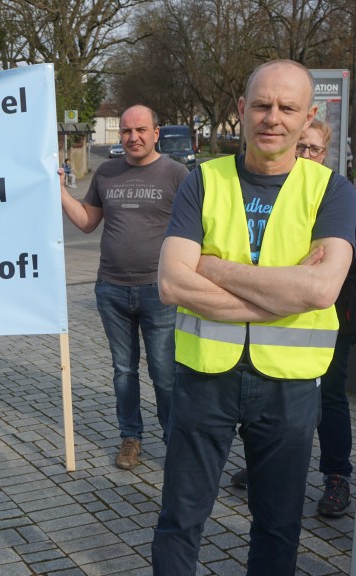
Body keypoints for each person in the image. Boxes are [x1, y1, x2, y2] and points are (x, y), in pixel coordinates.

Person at [152, 60, 356, 575]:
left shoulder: (332, 191)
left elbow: (322, 287)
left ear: (308, 117)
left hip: (288, 386)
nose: (273, 118)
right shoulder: (202, 181)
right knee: (180, 519)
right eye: (262, 105)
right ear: (241, 110)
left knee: (279, 524)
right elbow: (173, 283)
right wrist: (285, 294)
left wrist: (215, 267)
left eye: (288, 108)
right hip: (204, 378)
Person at [230, 119, 355, 518]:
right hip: (275, 323)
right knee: (269, 395)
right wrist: (291, 276)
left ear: (326, 154)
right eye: (299, 147)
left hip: (330, 317)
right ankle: (266, 463)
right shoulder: (271, 193)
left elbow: (322, 278)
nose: (303, 155)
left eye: (313, 149)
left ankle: (336, 476)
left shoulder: (332, 193)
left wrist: (294, 280)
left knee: (329, 396)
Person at [60, 104, 189, 470]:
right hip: (111, 290)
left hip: (159, 290)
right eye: (127, 131)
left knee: (164, 373)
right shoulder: (106, 173)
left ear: (156, 132)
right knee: (123, 371)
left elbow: (197, 231)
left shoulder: (177, 174)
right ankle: (130, 438)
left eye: (141, 130)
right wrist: (59, 192)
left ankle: (174, 440)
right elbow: (86, 222)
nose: (134, 137)